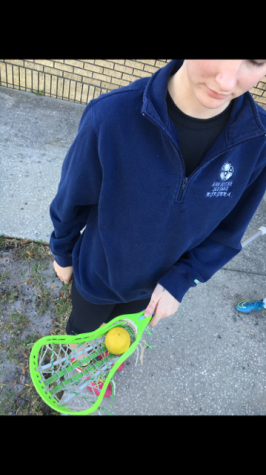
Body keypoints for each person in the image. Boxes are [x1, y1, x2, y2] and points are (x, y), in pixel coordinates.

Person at [50, 60, 266, 396]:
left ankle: (103, 368)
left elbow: (227, 232)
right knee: (83, 328)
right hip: (97, 273)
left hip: (153, 291)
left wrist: (182, 279)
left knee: (120, 340)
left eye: (254, 60)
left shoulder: (258, 143)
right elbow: (72, 197)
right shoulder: (110, 117)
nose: (226, 81)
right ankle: (79, 360)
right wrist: (62, 252)